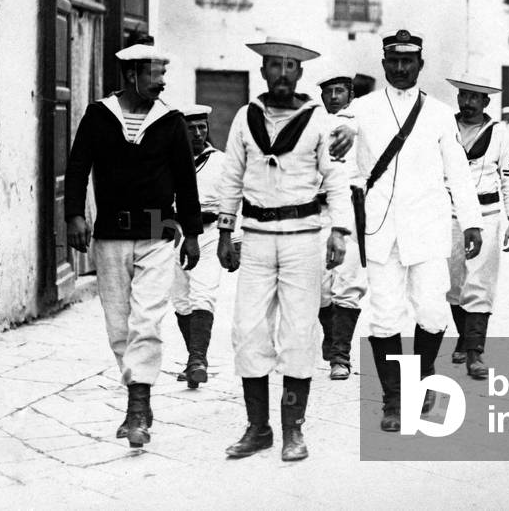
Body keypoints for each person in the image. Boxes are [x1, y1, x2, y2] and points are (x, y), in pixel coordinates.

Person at [331, 28, 483, 431]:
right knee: (384, 317)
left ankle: (423, 374)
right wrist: (341, 136)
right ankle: (394, 400)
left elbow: (459, 173)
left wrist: (471, 222)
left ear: (420, 64)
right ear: (383, 65)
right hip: (380, 232)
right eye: (393, 62)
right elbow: (337, 146)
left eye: (408, 61)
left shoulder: (437, 115)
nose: (400, 68)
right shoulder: (360, 110)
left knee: (433, 314)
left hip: (428, 232)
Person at [216, 37, 352, 462]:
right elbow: (231, 176)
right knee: (248, 330)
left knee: (299, 331)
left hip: (301, 239)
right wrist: (225, 230)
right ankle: (258, 428)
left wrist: (340, 232)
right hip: (256, 238)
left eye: (290, 66)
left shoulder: (317, 121)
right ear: (262, 71)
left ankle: (294, 429)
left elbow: (335, 180)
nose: (281, 73)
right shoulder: (245, 117)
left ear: (300, 74)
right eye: (274, 65)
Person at [65, 41, 202, 448]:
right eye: (154, 75)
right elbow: (77, 167)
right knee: (118, 325)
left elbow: (185, 180)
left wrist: (192, 232)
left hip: (158, 234)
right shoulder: (97, 116)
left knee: (147, 320)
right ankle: (135, 395)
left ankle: (138, 408)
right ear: (131, 75)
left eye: (163, 75)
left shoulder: (171, 120)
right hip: (109, 235)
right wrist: (74, 215)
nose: (161, 83)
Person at [444, 73, 509, 379]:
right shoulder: (444, 127)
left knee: (479, 282)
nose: (467, 102)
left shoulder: (501, 134)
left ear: (486, 102)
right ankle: (464, 338)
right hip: (449, 213)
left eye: (475, 97)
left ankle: (475, 353)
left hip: (487, 213)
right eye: (464, 95)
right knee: (452, 283)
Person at [169, 104, 233, 388]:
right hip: (175, 233)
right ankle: (192, 357)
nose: (197, 133)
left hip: (209, 232)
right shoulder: (167, 160)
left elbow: (234, 202)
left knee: (203, 294)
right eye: (190, 128)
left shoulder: (220, 162)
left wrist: (232, 239)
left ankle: (198, 359)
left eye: (202, 127)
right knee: (181, 300)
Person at [315, 74, 366, 380]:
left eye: (339, 91)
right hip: (319, 208)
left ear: (350, 94)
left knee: (348, 280)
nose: (334, 96)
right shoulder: (313, 122)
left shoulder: (362, 120)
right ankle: (331, 334)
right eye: (328, 91)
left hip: (353, 204)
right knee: (319, 284)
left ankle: (341, 355)